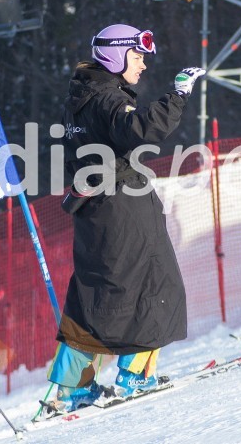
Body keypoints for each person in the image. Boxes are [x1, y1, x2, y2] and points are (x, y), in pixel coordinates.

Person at [44, 24, 204, 414]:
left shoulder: (78, 98)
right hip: (123, 208)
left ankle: (72, 387)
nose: (144, 64)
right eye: (137, 56)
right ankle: (135, 376)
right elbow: (142, 131)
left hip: (93, 210)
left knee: (93, 297)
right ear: (116, 56)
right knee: (155, 285)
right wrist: (179, 94)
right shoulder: (107, 98)